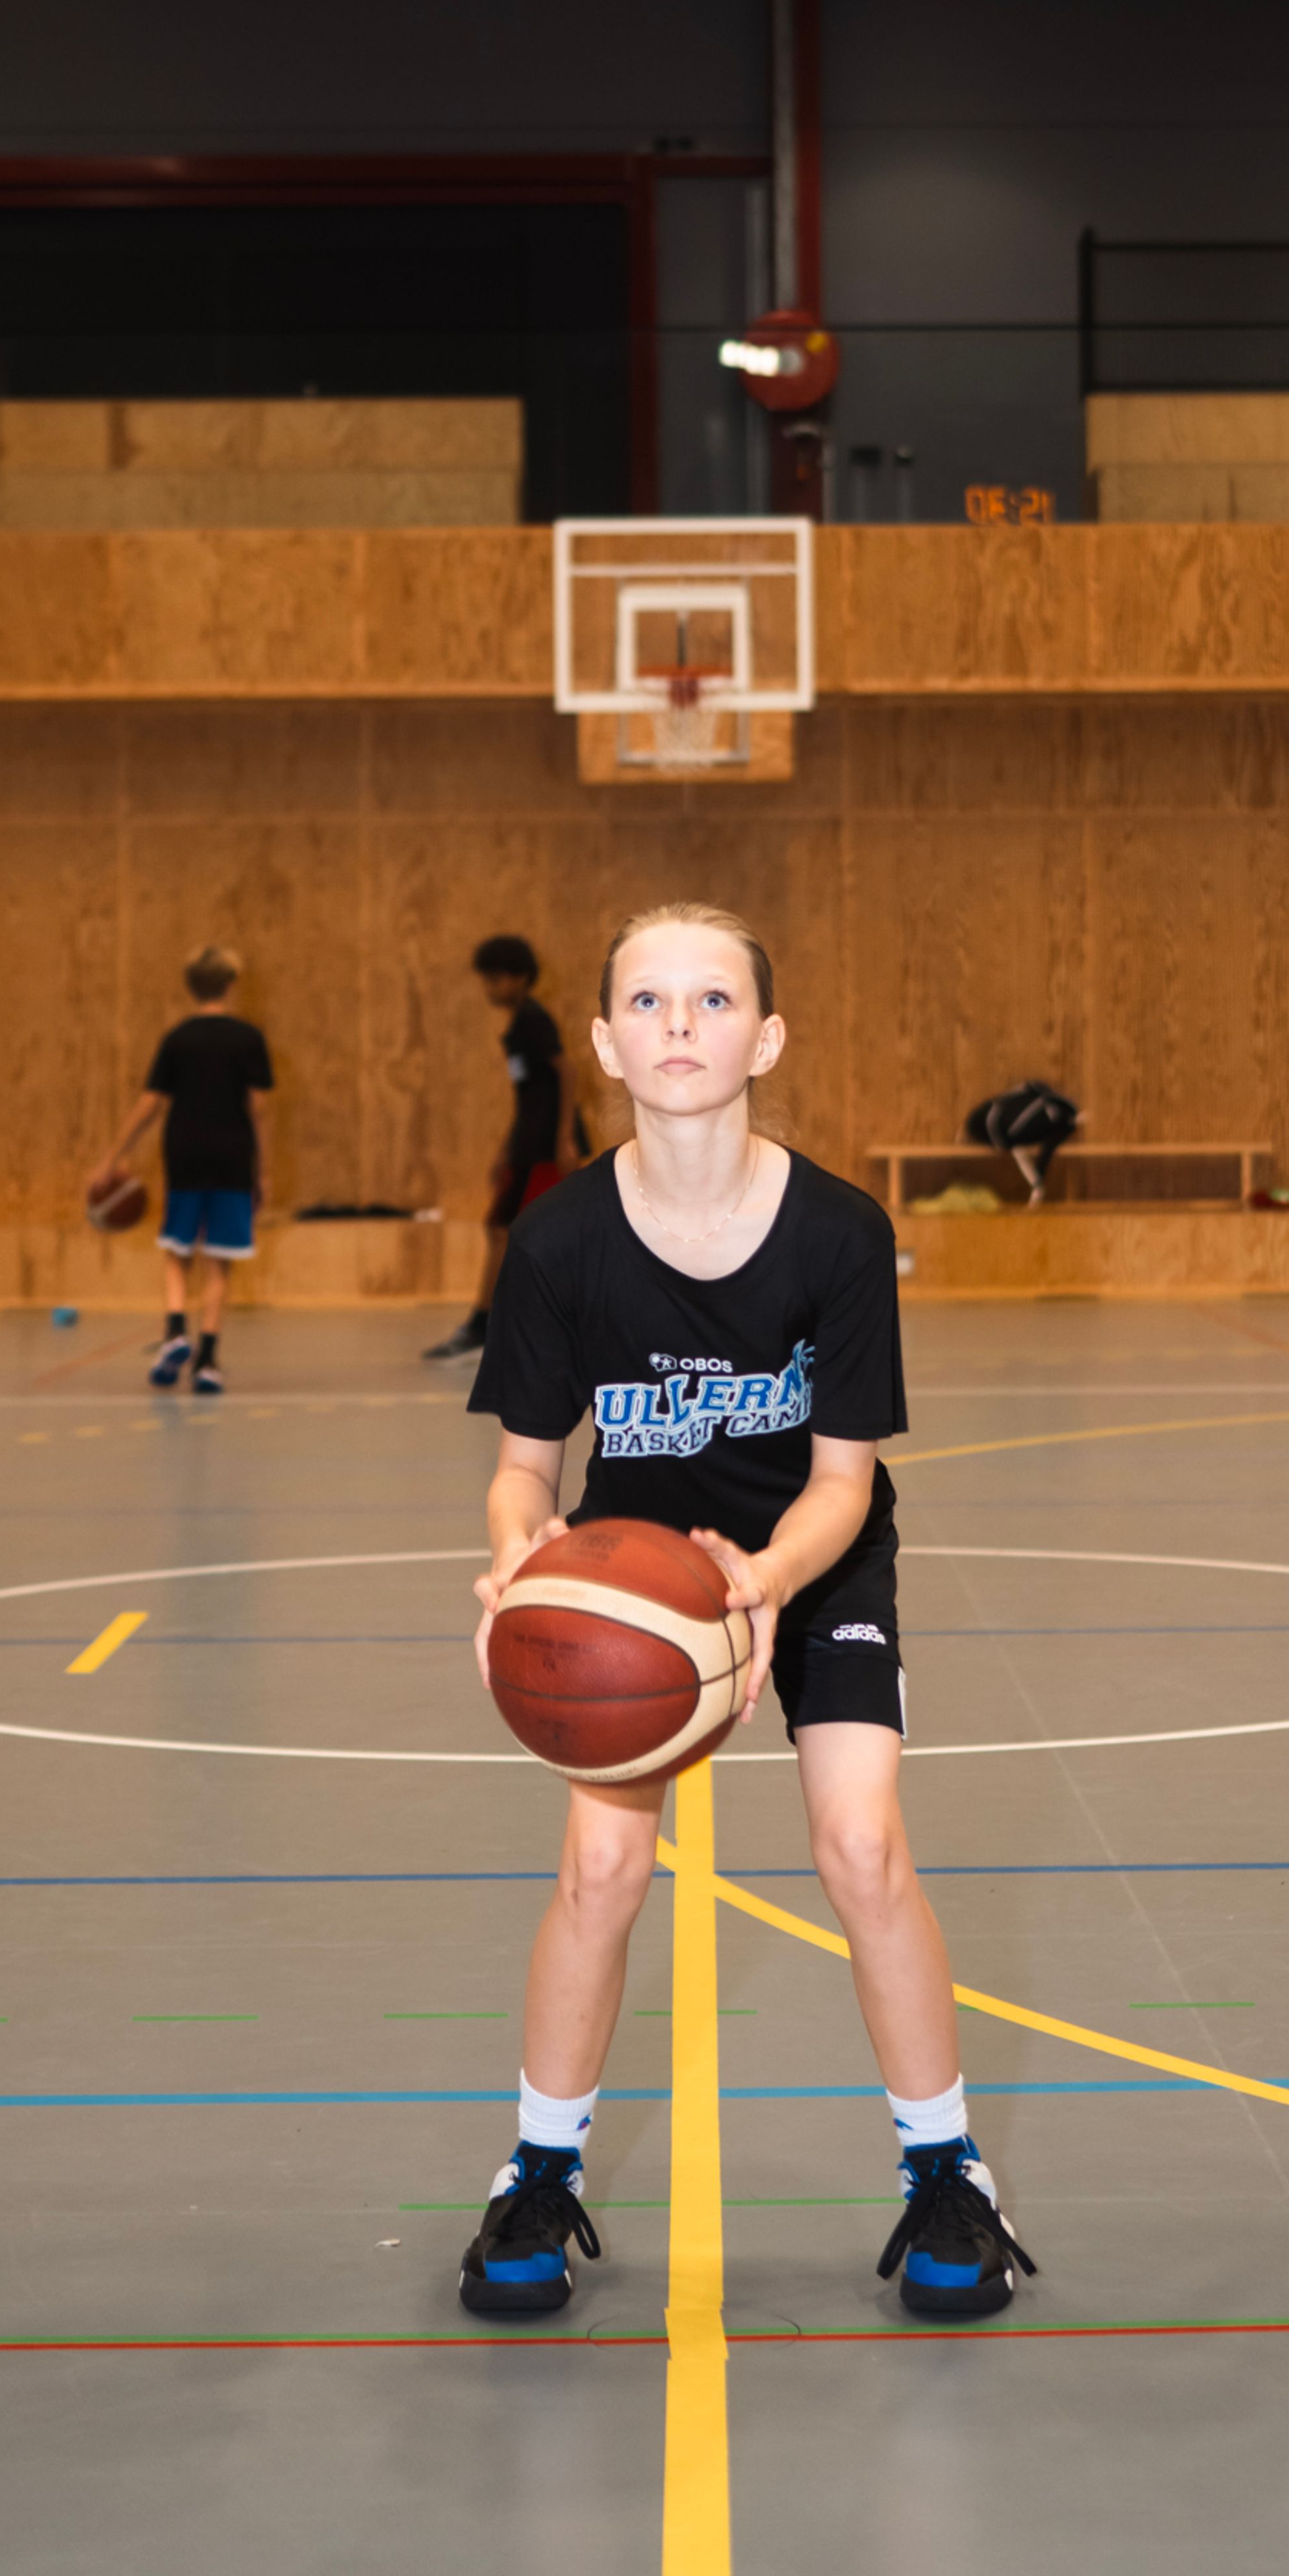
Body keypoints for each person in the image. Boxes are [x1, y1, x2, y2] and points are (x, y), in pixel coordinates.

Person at [456, 901, 1038, 2321]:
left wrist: (766, 1579)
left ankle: (948, 2171)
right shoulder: (559, 1240)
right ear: (606, 1044)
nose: (680, 1024)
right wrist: (520, 1560)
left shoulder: (838, 1232)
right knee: (601, 1869)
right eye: (648, 1001)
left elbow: (846, 1479)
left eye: (713, 1001)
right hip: (636, 1582)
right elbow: (525, 1468)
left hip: (811, 1563)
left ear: (765, 1039)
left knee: (862, 1845)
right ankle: (538, 2171)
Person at [86, 945, 273, 1394]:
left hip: (185, 1154)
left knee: (177, 1250)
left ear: (191, 987)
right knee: (219, 1261)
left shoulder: (178, 1039)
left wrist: (111, 1157)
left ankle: (174, 1332)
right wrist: (263, 1170)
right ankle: (207, 1361)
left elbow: (150, 1104)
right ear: (231, 985)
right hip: (232, 1156)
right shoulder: (248, 1038)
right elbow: (259, 1108)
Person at [420, 933, 586, 1365]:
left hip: (546, 1148)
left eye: (496, 980)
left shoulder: (534, 1019)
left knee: (521, 1233)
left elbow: (567, 1072)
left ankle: (492, 1326)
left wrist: (565, 1138)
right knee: (500, 1229)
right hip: (527, 1145)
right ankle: (487, 1324)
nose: (489, 989)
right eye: (487, 980)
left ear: (521, 978)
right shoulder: (518, 1025)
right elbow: (527, 1097)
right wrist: (504, 1150)